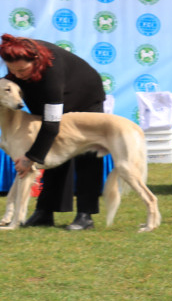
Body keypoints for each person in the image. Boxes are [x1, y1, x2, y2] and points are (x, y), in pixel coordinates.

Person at [0, 34, 105, 230]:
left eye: (22, 70)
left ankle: (85, 214)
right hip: (45, 97)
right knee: (50, 153)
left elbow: (51, 124)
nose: (18, 75)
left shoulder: (52, 72)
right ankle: (45, 211)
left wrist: (30, 157)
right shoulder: (17, 61)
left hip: (84, 97)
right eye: (12, 71)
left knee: (86, 154)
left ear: (35, 60)